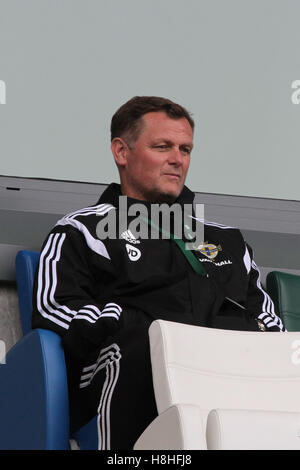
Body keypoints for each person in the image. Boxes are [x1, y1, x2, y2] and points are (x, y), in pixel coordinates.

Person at [32, 96, 285, 450]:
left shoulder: (225, 239)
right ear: (122, 152)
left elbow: (269, 321)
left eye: (185, 149)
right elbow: (53, 307)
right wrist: (120, 321)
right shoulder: (82, 229)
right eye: (162, 146)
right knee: (139, 349)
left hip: (221, 366)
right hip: (133, 362)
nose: (177, 159)